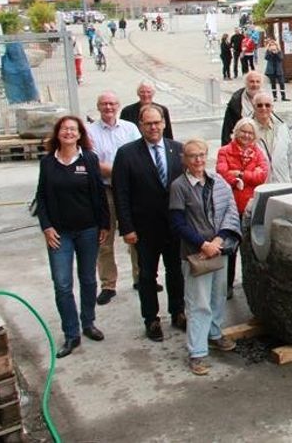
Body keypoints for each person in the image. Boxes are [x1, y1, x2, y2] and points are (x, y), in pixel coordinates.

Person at [35, 115, 109, 358]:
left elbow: (99, 195)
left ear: (80, 135)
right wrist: (47, 227)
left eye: (73, 129)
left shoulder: (88, 159)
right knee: (63, 284)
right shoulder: (47, 163)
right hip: (59, 234)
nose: (68, 133)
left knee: (88, 279)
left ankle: (88, 323)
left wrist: (104, 225)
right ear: (58, 133)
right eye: (64, 129)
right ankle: (71, 333)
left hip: (88, 230)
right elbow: (42, 198)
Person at [112, 105, 186, 343]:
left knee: (176, 272)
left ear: (164, 123)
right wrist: (127, 228)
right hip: (144, 229)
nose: (153, 127)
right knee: (147, 276)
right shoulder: (126, 154)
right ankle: (151, 319)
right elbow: (121, 193)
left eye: (157, 122)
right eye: (148, 124)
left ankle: (178, 312)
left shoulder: (178, 150)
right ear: (141, 126)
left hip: (174, 227)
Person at [169, 138, 242, 376]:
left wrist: (219, 240)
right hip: (195, 254)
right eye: (192, 156)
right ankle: (197, 352)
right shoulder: (179, 186)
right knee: (198, 303)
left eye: (201, 155)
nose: (198, 160)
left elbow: (230, 210)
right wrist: (203, 244)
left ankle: (215, 333)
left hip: (218, 250)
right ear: (184, 159)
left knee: (217, 295)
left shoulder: (217, 181)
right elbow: (177, 223)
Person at [86, 91, 141, 305]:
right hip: (105, 191)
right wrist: (120, 172)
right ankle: (108, 284)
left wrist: (123, 174)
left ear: (118, 105)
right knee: (104, 239)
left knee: (136, 236)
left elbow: (139, 155)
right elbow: (92, 162)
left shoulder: (130, 129)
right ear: (98, 107)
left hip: (130, 191)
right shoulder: (90, 132)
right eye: (104, 104)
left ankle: (141, 277)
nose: (108, 107)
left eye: (112, 104)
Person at [216, 118, 270, 299]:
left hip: (251, 208)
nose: (246, 136)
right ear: (236, 132)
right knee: (230, 249)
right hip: (231, 208)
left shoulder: (257, 152)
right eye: (243, 131)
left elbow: (262, 175)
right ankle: (227, 285)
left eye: (250, 133)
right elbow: (222, 173)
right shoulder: (225, 151)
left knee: (252, 249)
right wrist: (238, 178)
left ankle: (252, 284)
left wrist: (239, 174)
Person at [251, 92, 292, 184]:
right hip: (259, 187)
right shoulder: (247, 131)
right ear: (254, 107)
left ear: (272, 107)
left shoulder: (282, 128)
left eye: (267, 105)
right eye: (259, 105)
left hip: (283, 183)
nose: (264, 108)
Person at [221, 70, 264, 145]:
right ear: (246, 83)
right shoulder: (235, 102)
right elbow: (227, 130)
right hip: (242, 144)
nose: (255, 85)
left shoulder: (266, 100)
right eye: (252, 81)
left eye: (257, 82)